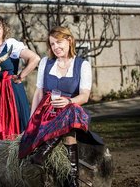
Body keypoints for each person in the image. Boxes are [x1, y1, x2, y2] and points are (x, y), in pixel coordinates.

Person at [18, 26, 103, 187]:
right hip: (47, 112)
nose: (55, 47)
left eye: (59, 42)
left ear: (69, 40)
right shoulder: (46, 62)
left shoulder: (82, 65)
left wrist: (68, 101)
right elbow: (38, 92)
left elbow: (84, 96)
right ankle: (72, 181)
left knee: (71, 113)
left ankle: (45, 156)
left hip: (70, 111)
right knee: (69, 130)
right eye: (52, 44)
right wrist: (31, 119)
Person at [0, 16, 40, 140]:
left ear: (4, 30)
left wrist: (21, 75)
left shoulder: (11, 44)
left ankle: (17, 154)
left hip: (11, 91)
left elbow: (35, 58)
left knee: (14, 124)